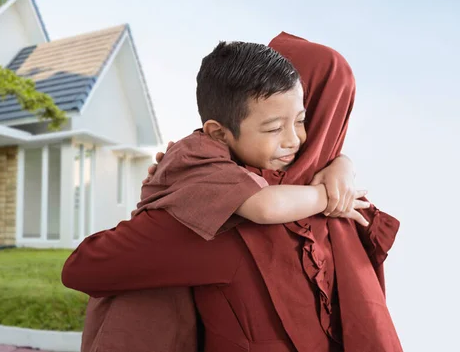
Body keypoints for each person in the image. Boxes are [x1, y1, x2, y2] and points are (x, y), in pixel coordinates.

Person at [63, 33, 402, 352]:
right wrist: (333, 182)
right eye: (273, 127)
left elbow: (84, 267)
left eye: (302, 119)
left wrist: (342, 164)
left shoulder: (320, 211)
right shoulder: (334, 210)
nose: (295, 140)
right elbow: (84, 267)